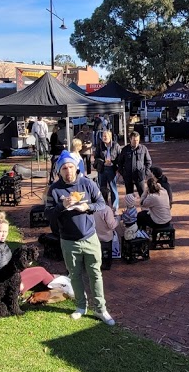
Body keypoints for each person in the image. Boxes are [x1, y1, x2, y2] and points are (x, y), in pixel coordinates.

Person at [45, 151, 114, 325]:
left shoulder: (87, 183)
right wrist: (62, 205)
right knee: (75, 275)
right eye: (64, 168)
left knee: (95, 274)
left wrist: (87, 207)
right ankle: (81, 307)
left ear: (76, 168)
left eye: (71, 167)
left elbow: (101, 204)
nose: (68, 171)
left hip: (90, 238)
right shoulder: (54, 190)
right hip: (68, 240)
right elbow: (48, 214)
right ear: (59, 171)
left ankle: (100, 309)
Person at [117, 131, 151, 202]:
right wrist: (123, 173)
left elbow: (148, 162)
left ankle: (145, 211)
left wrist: (145, 173)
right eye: (134, 140)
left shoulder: (143, 149)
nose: (136, 142)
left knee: (143, 196)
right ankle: (130, 211)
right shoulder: (125, 150)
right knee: (129, 197)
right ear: (130, 139)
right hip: (128, 177)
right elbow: (119, 162)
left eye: (137, 140)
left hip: (140, 177)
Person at [95, 130, 121, 210]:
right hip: (102, 169)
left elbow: (120, 158)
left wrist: (114, 164)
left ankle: (114, 207)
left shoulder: (116, 145)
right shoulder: (100, 145)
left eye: (105, 136)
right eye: (103, 136)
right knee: (102, 188)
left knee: (113, 188)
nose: (104, 138)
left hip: (112, 169)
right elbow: (96, 157)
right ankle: (103, 205)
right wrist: (103, 162)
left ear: (110, 137)